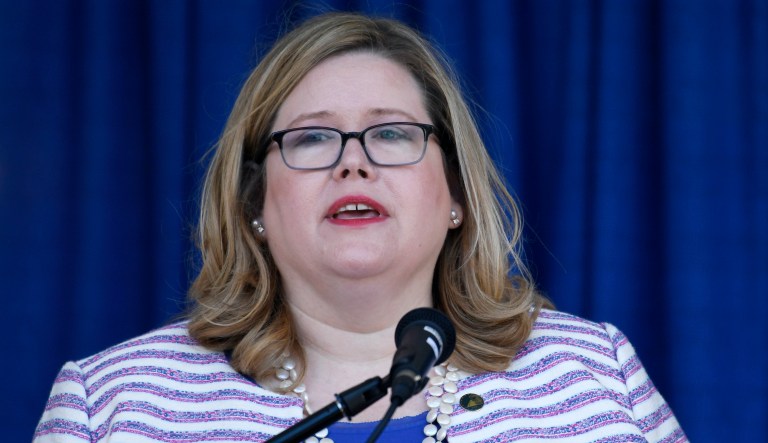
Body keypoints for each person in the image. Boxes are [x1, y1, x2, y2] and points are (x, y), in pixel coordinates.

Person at [34, 12, 686, 443]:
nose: (354, 162)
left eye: (393, 133)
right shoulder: (111, 402)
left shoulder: (594, 372)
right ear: (256, 200)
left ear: (455, 192)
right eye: (314, 137)